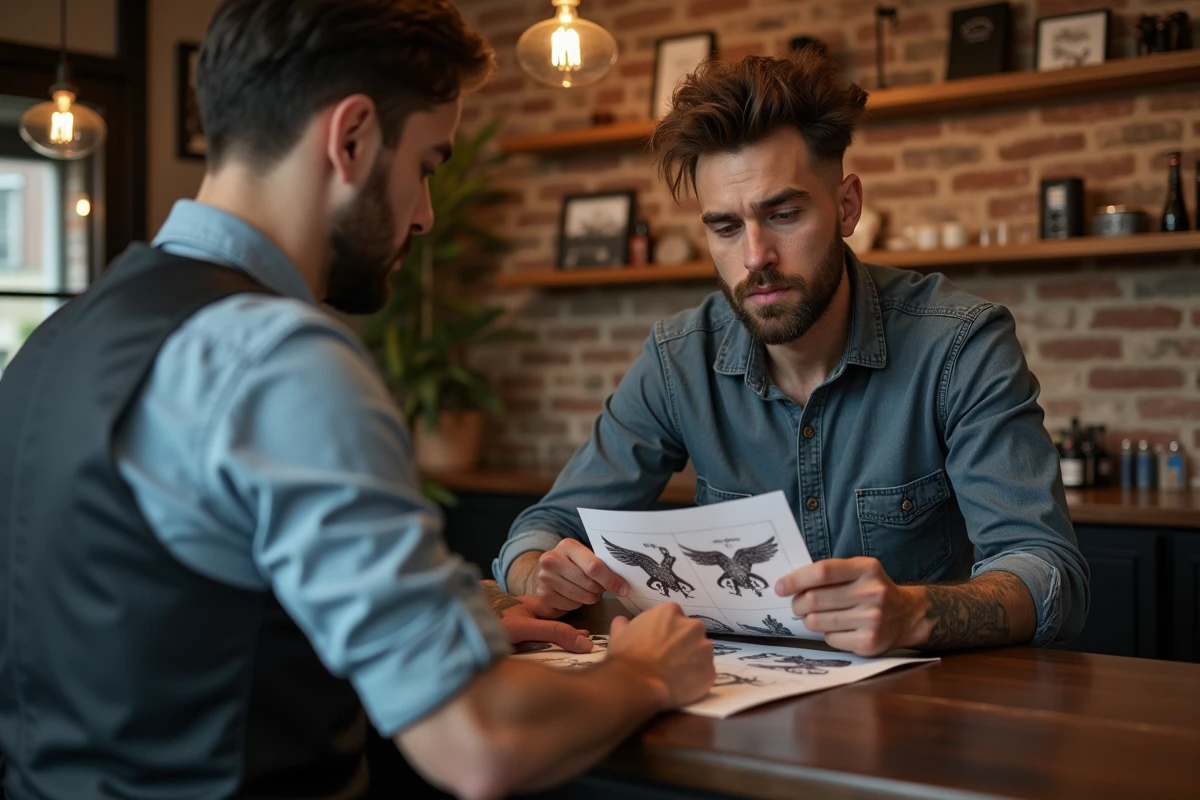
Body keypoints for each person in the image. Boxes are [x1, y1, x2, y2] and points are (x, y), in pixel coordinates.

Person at [0, 2, 715, 799]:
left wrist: (448, 632)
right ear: (352, 138)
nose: (425, 214)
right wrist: (645, 672)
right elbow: (481, 744)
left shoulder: (51, 344)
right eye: (427, 165)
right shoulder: (280, 359)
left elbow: (155, 620)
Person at [496, 51, 1089, 657]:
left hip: (921, 701)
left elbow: (1049, 573)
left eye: (783, 214)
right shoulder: (679, 361)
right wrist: (538, 571)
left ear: (847, 207)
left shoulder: (960, 345)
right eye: (726, 227)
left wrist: (916, 612)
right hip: (732, 701)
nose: (755, 257)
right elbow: (543, 530)